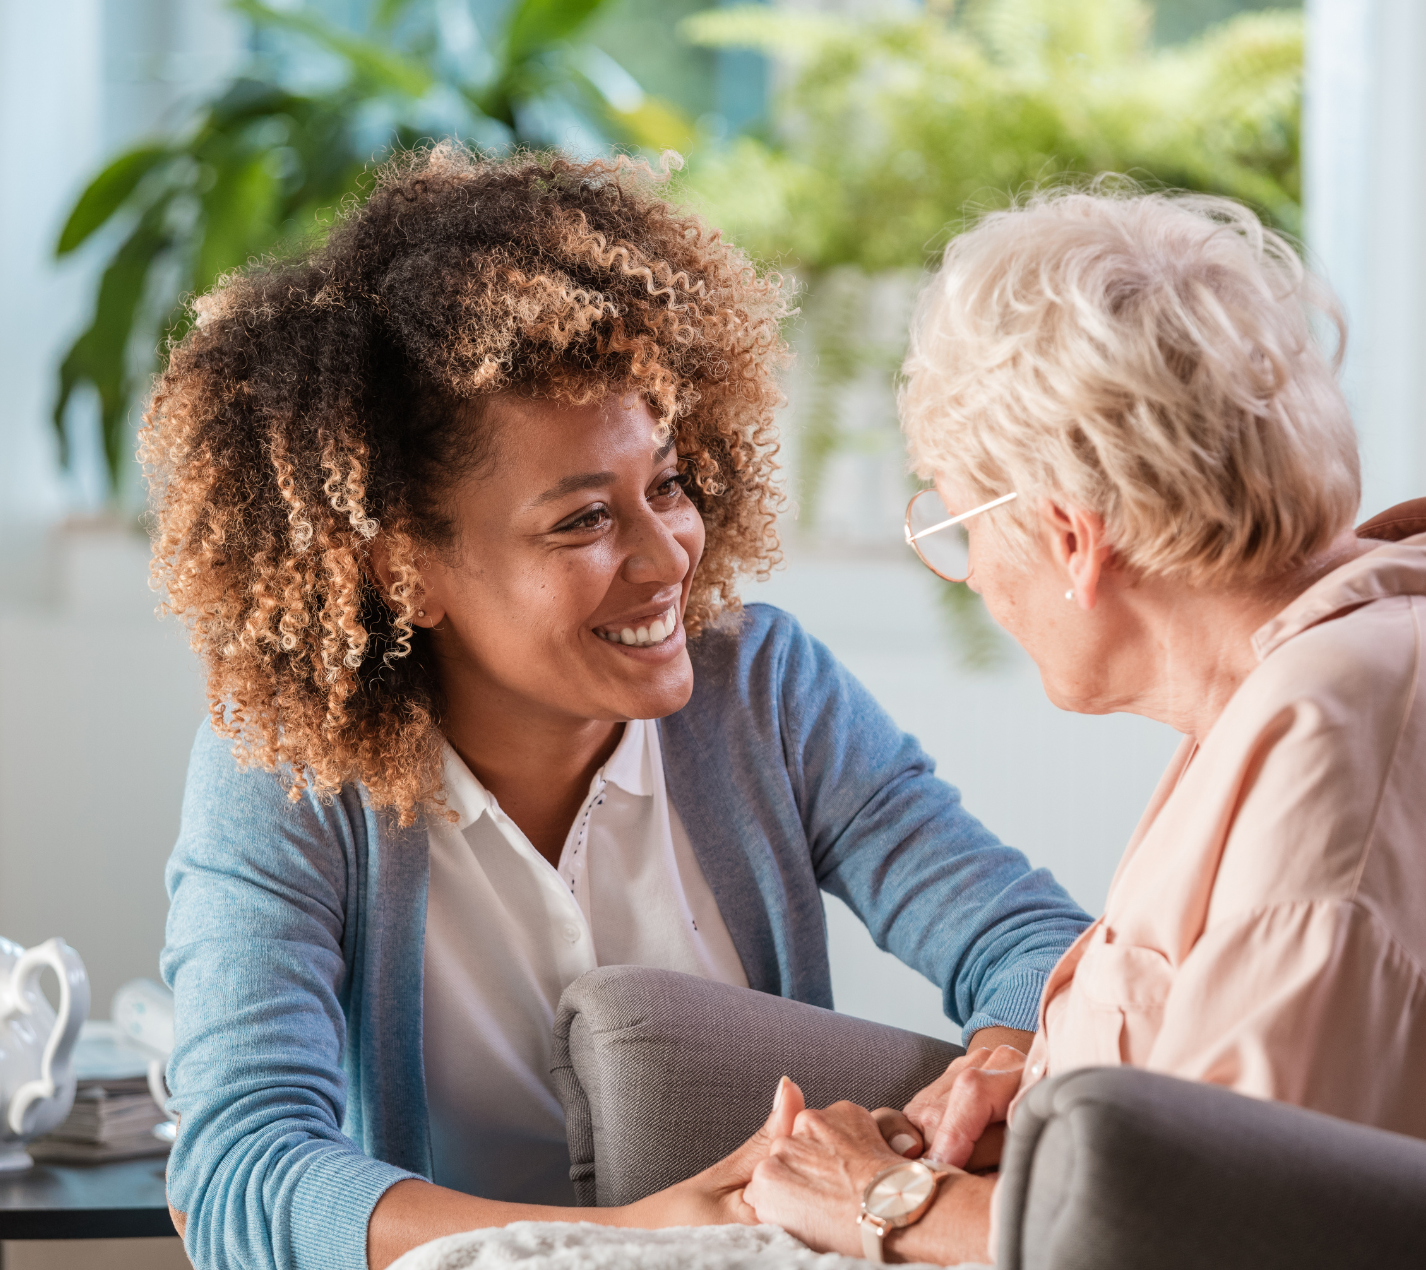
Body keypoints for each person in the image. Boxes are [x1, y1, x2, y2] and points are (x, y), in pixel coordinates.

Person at [148, 146, 1092, 1270]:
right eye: (582, 521)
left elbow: (1037, 944)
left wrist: (998, 1058)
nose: (667, 558)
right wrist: (622, 1241)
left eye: (670, 485)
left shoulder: (765, 690)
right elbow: (237, 1171)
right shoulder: (287, 767)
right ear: (405, 570)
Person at [742, 186, 1426, 1263]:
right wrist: (1049, 1089)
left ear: (1070, 535)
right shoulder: (1354, 658)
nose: (975, 574)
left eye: (957, 520)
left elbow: (1223, 1231)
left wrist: (890, 1199)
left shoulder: (1351, 742)